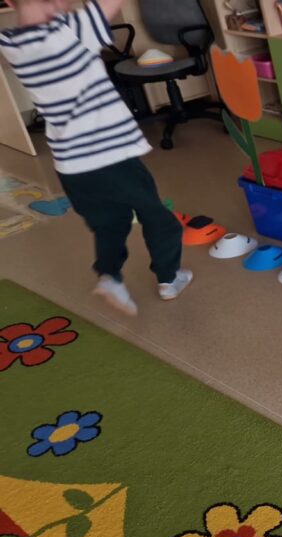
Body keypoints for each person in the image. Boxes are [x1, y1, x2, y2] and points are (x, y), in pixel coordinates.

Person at [1, 0, 191, 316]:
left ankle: (109, 276)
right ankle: (169, 279)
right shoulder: (70, 31)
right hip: (111, 155)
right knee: (157, 218)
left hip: (71, 165)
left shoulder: (11, 44)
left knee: (109, 224)